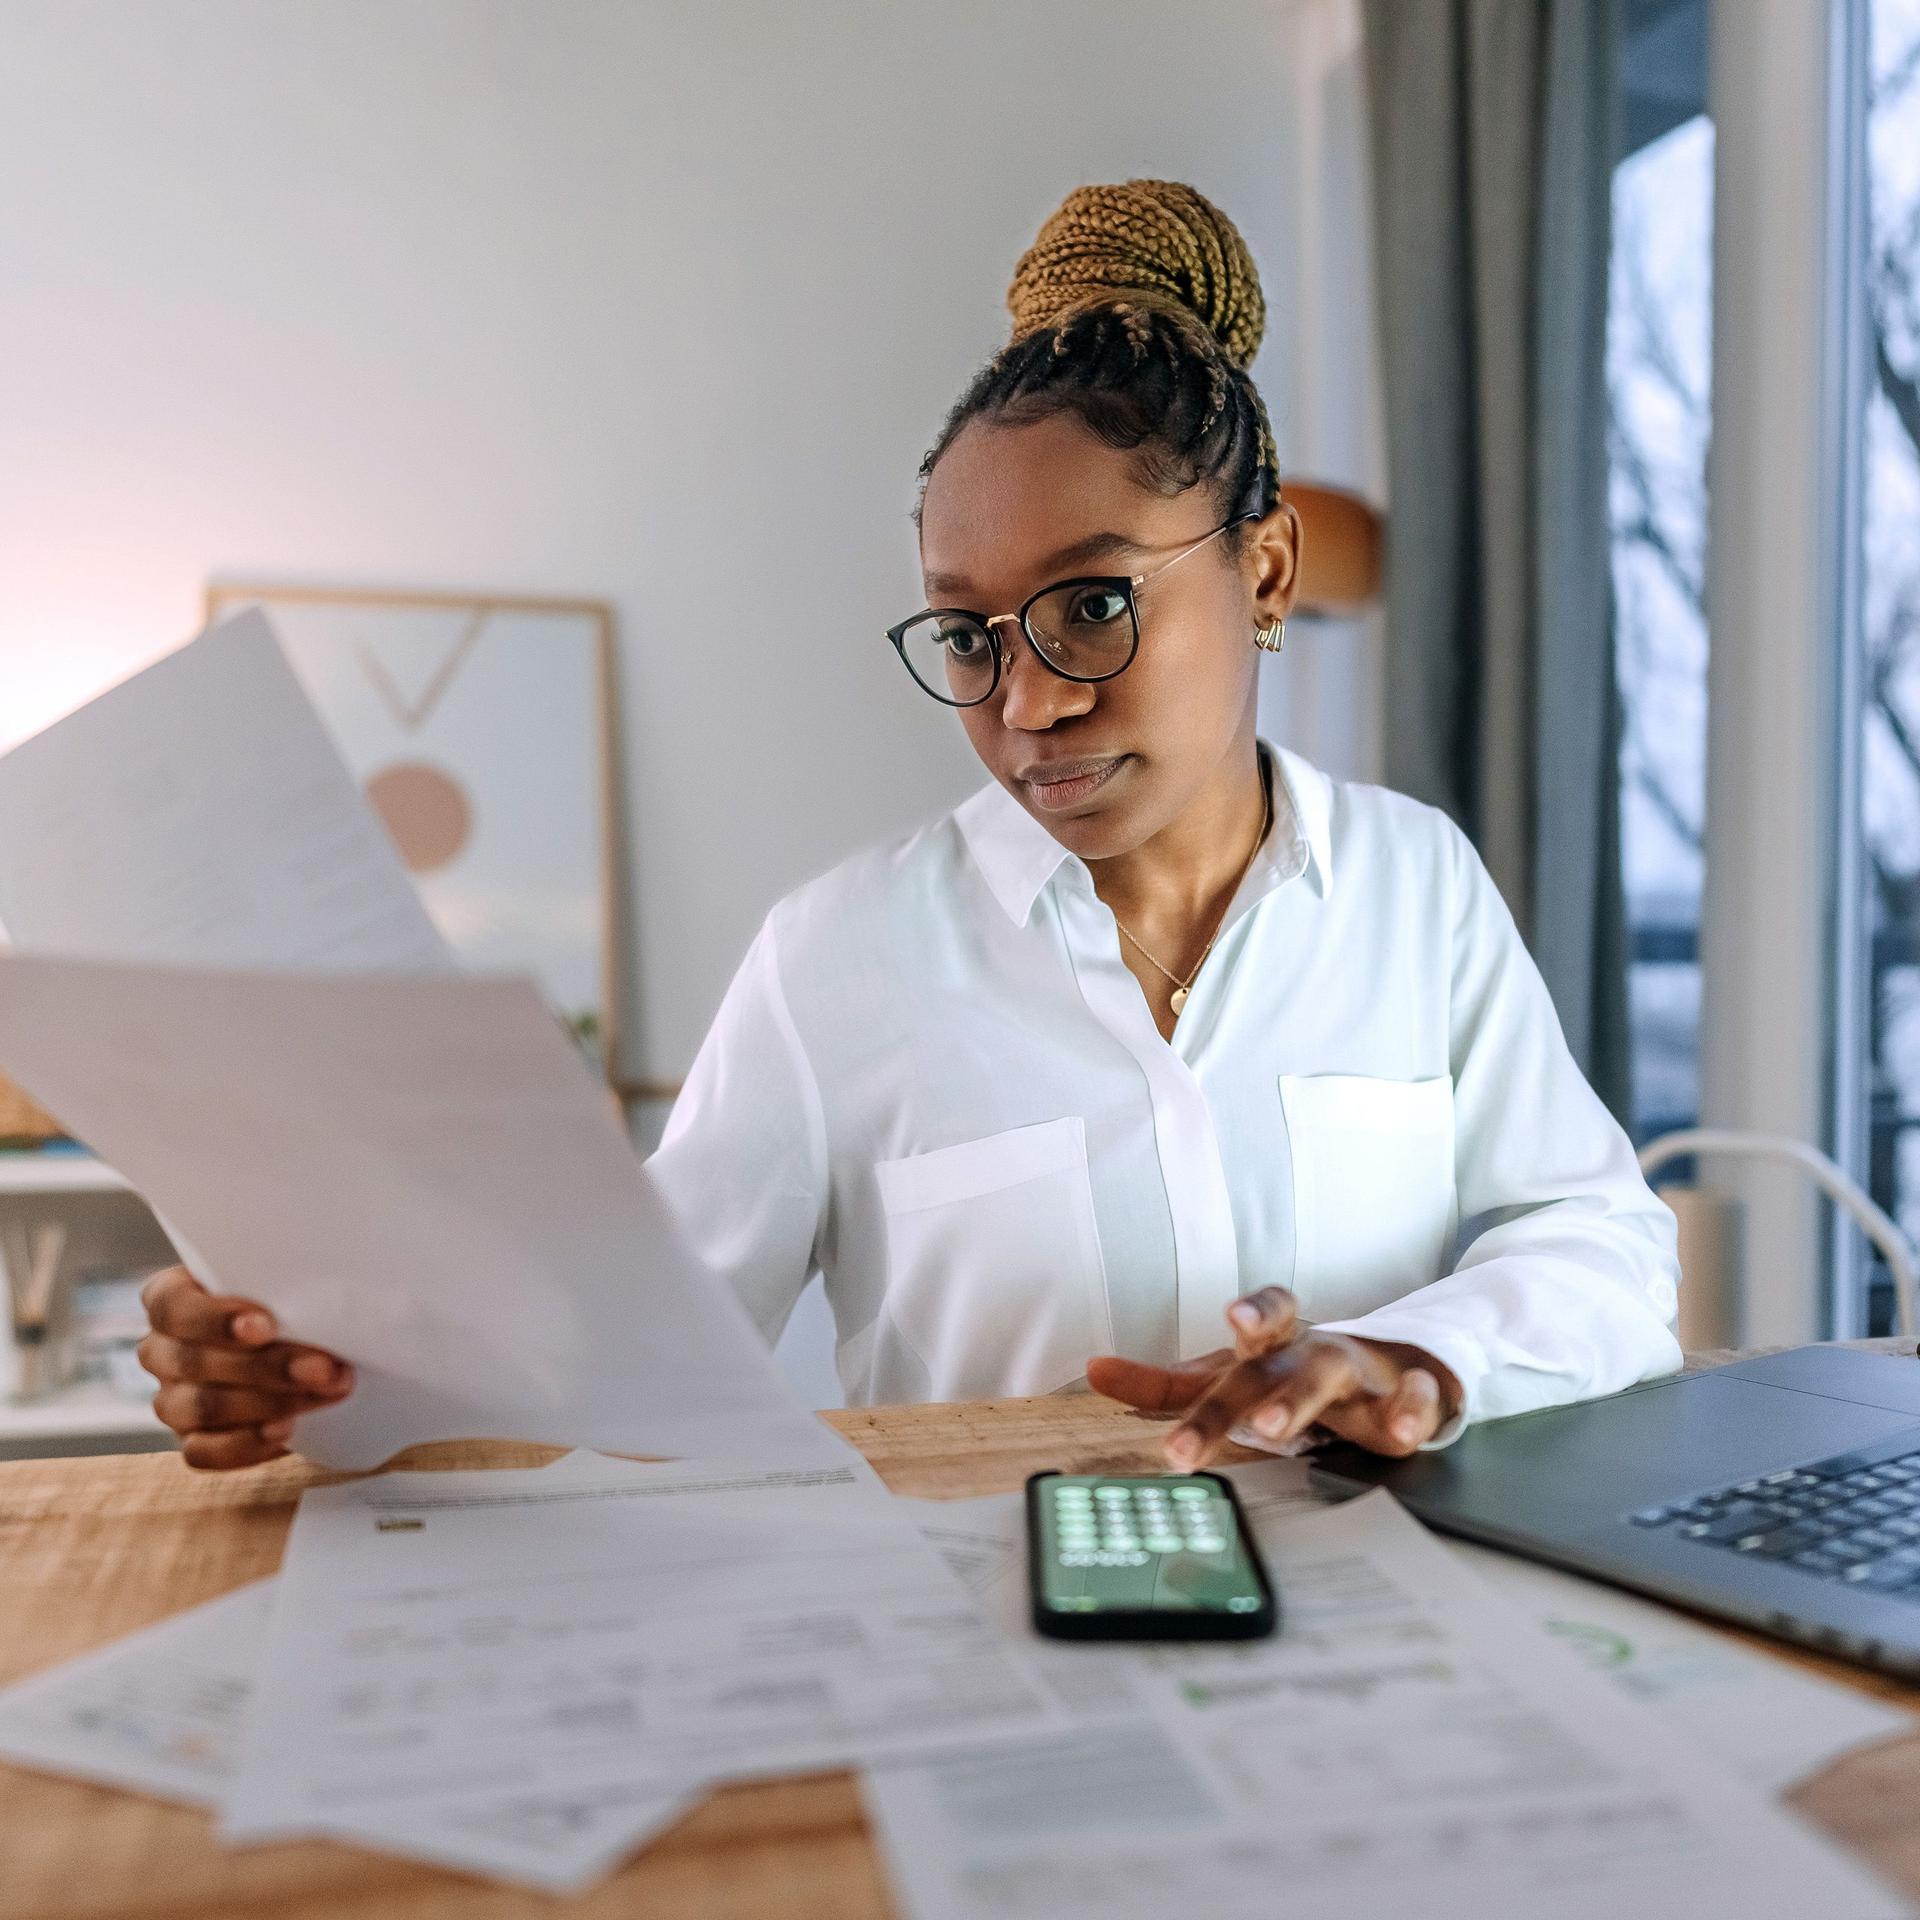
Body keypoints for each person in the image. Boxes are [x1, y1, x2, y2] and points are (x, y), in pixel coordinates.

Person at [136, 178, 1683, 1475]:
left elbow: (1604, 1248)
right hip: (1002, 1681)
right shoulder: (838, 961)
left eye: (1091, 606)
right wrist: (324, 1370)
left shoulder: (1419, 891)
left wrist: (1415, 1356)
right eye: (968, 634)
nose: (1029, 701)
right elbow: (621, 1355)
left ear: (1266, 573)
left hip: (1411, 1683)